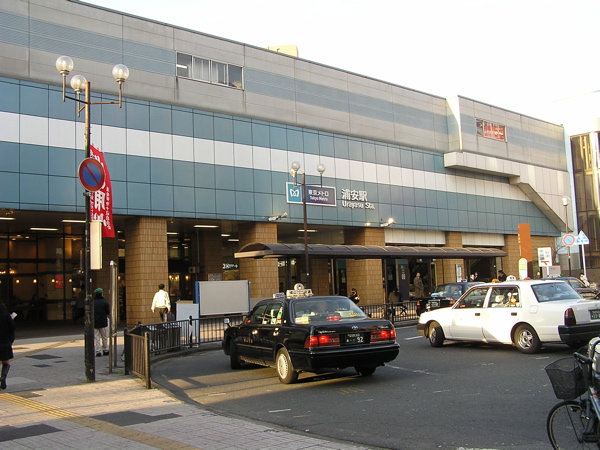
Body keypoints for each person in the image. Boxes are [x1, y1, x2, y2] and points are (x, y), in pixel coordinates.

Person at [0, 301, 15, 390]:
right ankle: (3, 377)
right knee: (6, 362)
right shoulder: (6, 316)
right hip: (5, 342)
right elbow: (12, 328)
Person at [93, 288, 110, 357]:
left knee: (96, 337)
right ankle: (105, 350)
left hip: (95, 322)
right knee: (104, 336)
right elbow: (108, 312)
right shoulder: (104, 302)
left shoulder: (93, 302)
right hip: (103, 321)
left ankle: (98, 351)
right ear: (102, 294)